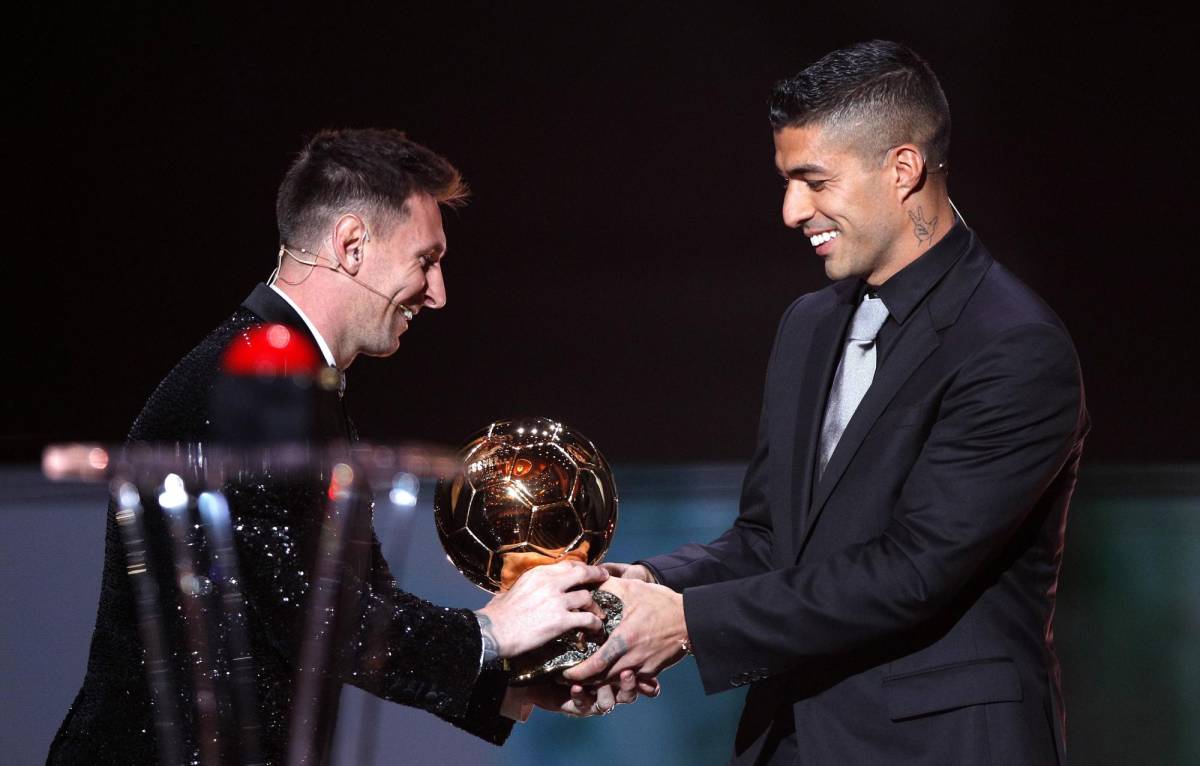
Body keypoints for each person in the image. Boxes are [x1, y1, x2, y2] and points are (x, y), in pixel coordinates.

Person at [49, 128, 650, 765]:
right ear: (352, 245)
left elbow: (351, 604)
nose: (439, 292)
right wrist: (492, 633)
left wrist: (519, 681)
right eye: (426, 259)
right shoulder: (255, 377)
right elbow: (308, 611)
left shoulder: (292, 375)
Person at [567, 41, 1088, 765]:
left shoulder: (1014, 346)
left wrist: (687, 622)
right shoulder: (808, 325)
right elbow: (768, 539)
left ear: (902, 169)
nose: (791, 210)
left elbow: (913, 570)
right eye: (787, 181)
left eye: (813, 181)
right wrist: (655, 583)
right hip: (790, 741)